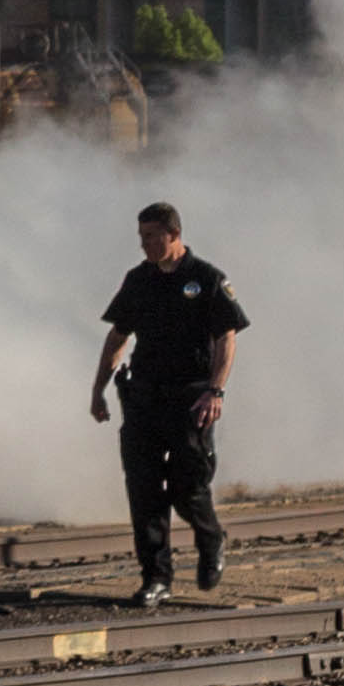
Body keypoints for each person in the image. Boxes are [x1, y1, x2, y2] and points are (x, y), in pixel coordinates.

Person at [90, 198, 246, 607]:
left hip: (191, 398)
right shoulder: (138, 280)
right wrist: (99, 389)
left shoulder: (206, 279)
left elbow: (226, 337)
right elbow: (118, 337)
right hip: (143, 396)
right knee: (143, 491)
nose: (144, 245)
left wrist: (216, 390)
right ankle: (156, 578)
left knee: (187, 488)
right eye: (140, 237)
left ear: (173, 234)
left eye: (151, 236)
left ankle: (211, 540)